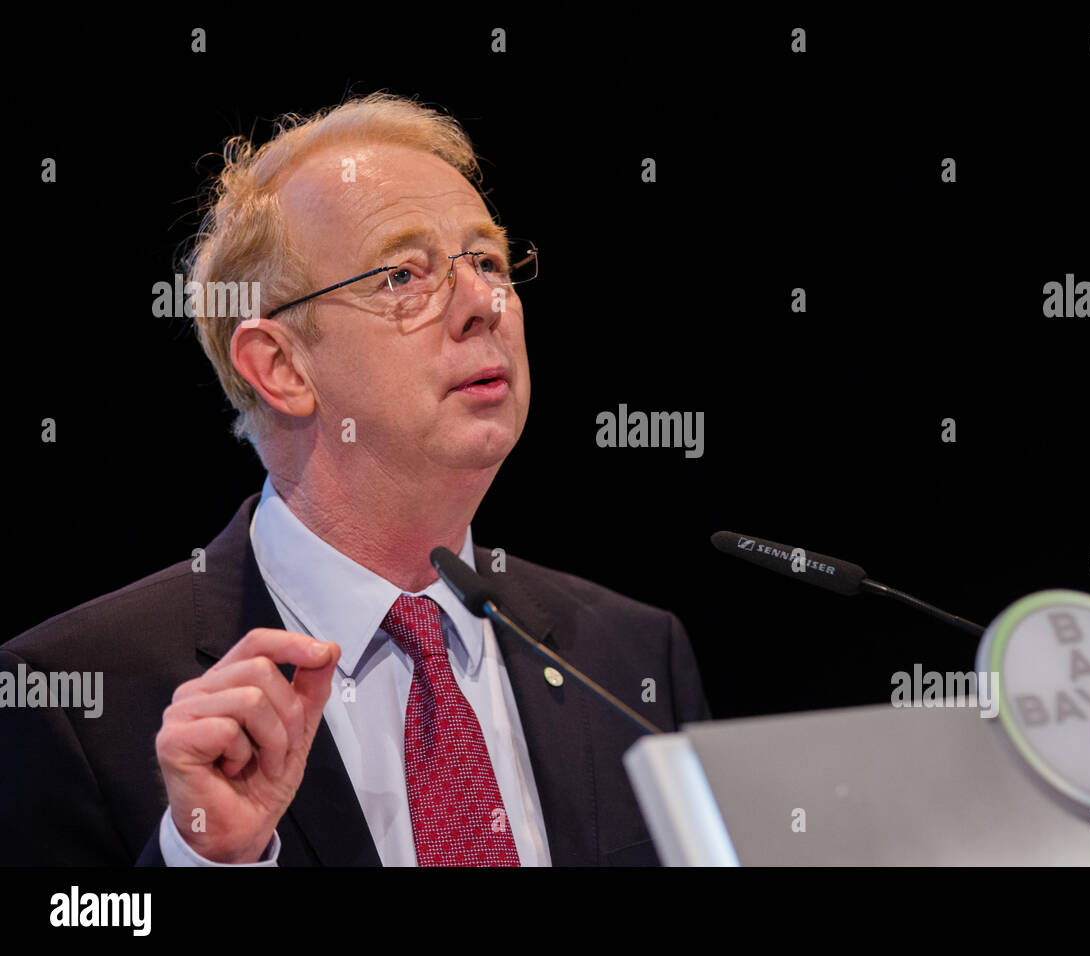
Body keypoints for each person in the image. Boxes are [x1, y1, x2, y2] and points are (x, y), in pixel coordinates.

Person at [0, 93, 711, 866]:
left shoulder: (632, 657)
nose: (482, 303)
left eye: (489, 261)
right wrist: (204, 858)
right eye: (404, 274)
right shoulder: (76, 691)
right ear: (280, 367)